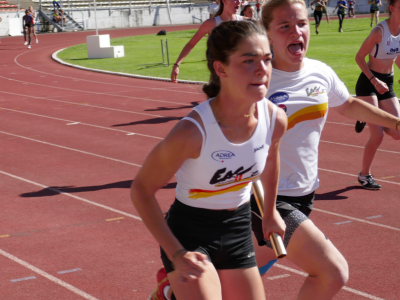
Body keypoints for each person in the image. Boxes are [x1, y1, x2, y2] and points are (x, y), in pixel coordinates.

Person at [251, 1, 400, 299]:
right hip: (265, 199)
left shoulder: (319, 71)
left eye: (302, 23)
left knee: (249, 267)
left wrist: (396, 122)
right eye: (284, 26)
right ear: (266, 33)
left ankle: (174, 291)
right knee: (333, 272)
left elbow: (348, 105)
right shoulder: (254, 82)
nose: (297, 31)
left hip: (304, 193)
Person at [132, 20, 287, 300]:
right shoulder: (192, 132)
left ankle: (171, 293)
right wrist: (176, 253)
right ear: (221, 68)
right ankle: (171, 289)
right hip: (189, 234)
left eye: (267, 59)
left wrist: (270, 211)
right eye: (248, 60)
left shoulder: (275, 119)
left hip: (238, 229)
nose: (262, 70)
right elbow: (141, 190)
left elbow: (271, 162)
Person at [354, 0, 400, 190]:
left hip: (387, 83)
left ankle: (365, 116)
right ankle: (364, 175)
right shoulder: (379, 32)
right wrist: (374, 80)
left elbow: (398, 55)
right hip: (369, 83)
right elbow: (359, 57)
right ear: (392, 8)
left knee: (397, 132)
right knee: (378, 135)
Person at [170, 0, 246, 83]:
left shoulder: (245, 23)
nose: (239, 2)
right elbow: (191, 44)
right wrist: (176, 65)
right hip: (220, 77)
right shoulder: (211, 24)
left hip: (240, 74)